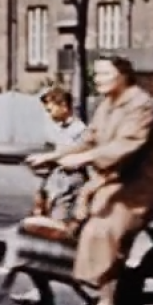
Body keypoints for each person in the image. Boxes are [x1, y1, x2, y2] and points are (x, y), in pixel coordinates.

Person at [26, 56, 153, 305]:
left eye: (105, 74)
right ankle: (110, 289)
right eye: (97, 74)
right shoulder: (107, 105)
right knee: (82, 225)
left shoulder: (140, 104)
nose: (98, 79)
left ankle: (108, 303)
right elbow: (89, 139)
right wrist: (53, 156)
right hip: (116, 183)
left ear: (123, 75)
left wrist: (83, 159)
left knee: (103, 229)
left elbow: (127, 144)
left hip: (143, 186)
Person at [35, 86, 87, 224]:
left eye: (50, 110)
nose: (49, 114)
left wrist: (54, 160)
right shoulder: (60, 129)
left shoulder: (79, 130)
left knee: (59, 221)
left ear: (63, 106)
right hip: (56, 181)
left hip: (70, 182)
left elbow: (78, 159)